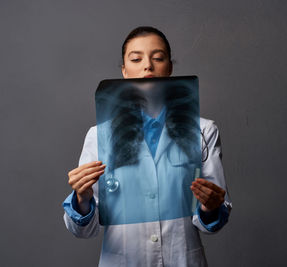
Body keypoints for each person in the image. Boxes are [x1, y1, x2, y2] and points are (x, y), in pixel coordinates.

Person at [62, 26, 232, 267]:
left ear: (170, 67)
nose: (148, 66)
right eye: (136, 59)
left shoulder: (203, 131)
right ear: (124, 70)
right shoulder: (99, 135)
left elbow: (212, 221)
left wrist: (210, 207)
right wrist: (82, 197)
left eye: (158, 58)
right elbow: (83, 231)